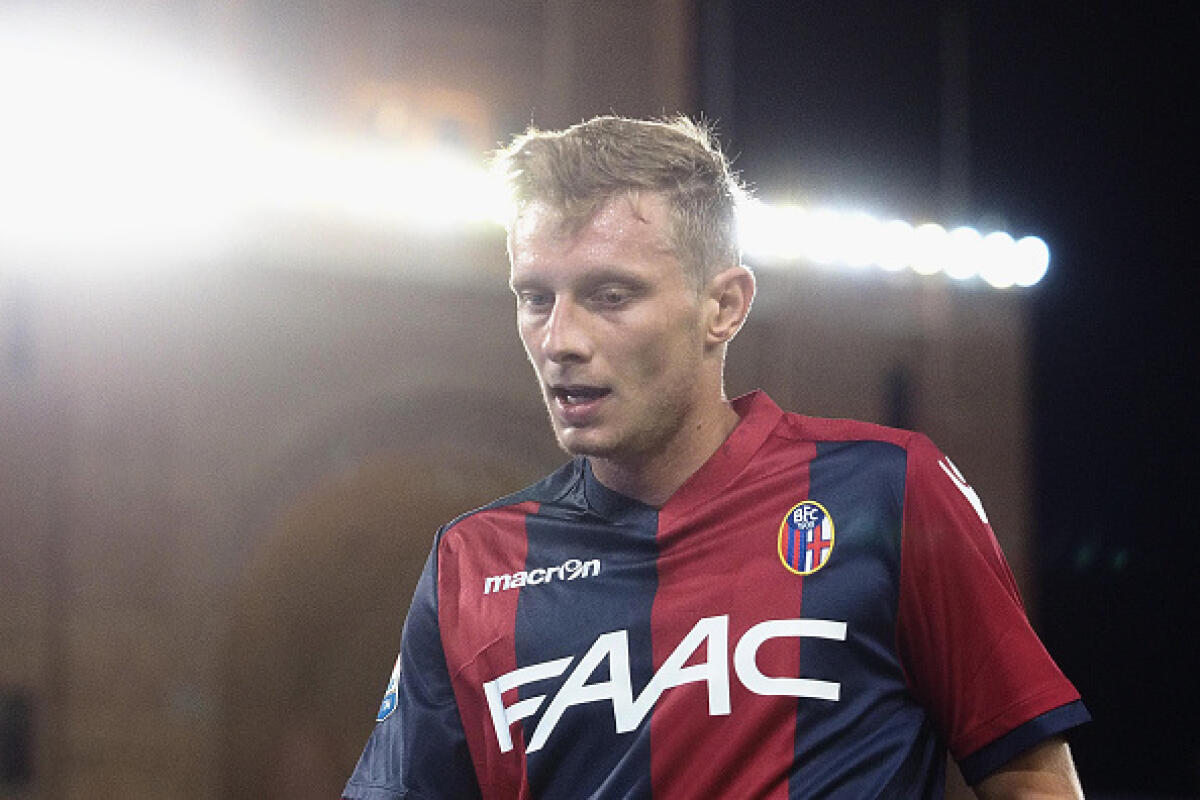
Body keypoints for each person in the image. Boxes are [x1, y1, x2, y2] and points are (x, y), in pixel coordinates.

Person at [342, 116, 1089, 799]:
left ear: (724, 307)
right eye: (536, 297)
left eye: (609, 295)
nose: (559, 340)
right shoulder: (471, 564)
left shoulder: (889, 491)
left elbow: (1030, 778)